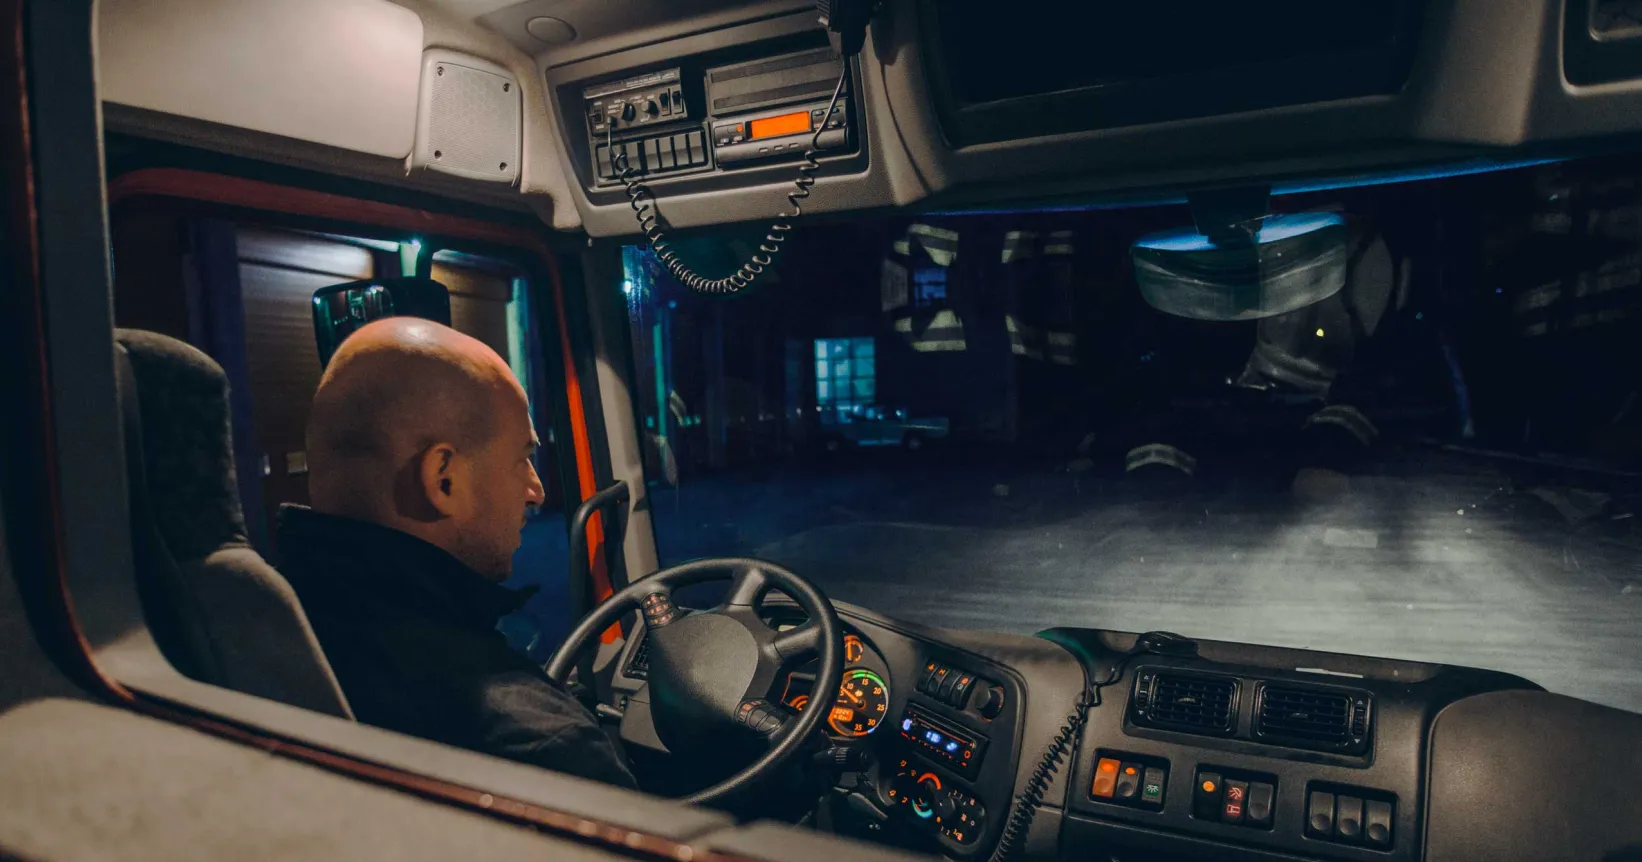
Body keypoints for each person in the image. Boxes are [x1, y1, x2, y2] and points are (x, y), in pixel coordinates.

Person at [277, 316, 635, 788]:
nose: (536, 490)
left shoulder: (262, 629)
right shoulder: (544, 747)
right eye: (522, 459)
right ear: (442, 479)